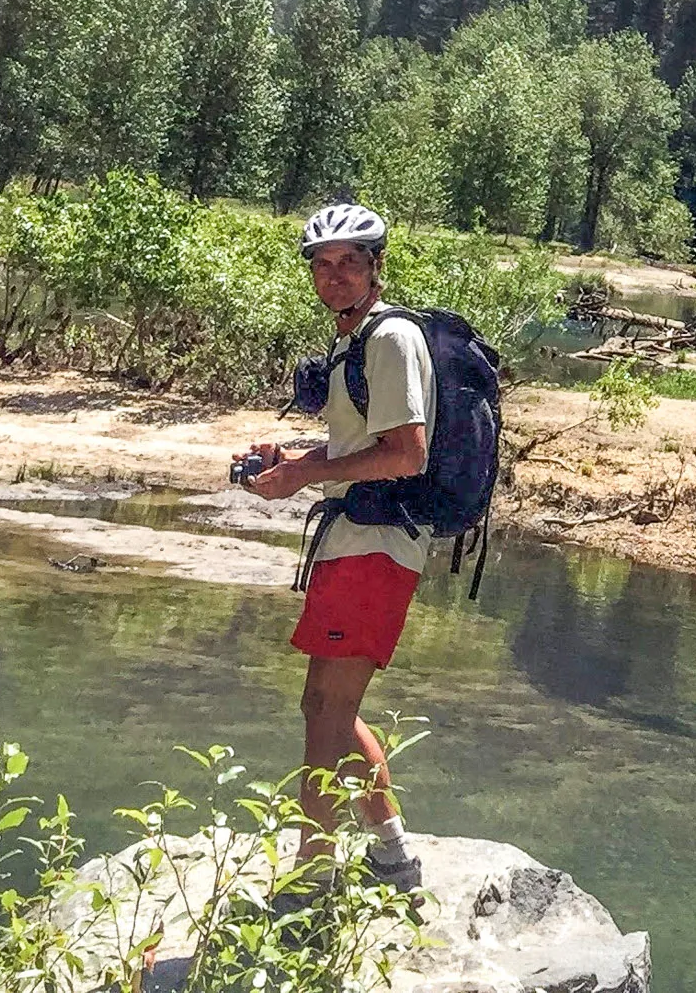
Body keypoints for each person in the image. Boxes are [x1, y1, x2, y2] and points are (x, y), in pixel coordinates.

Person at [235, 201, 431, 898]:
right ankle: (393, 858)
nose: (334, 275)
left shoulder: (391, 337)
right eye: (322, 264)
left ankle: (312, 874)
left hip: (379, 543)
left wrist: (308, 476)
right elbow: (358, 448)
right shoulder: (356, 339)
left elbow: (407, 455)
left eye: (350, 262)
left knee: (326, 712)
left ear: (376, 267)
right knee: (323, 707)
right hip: (352, 537)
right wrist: (294, 465)